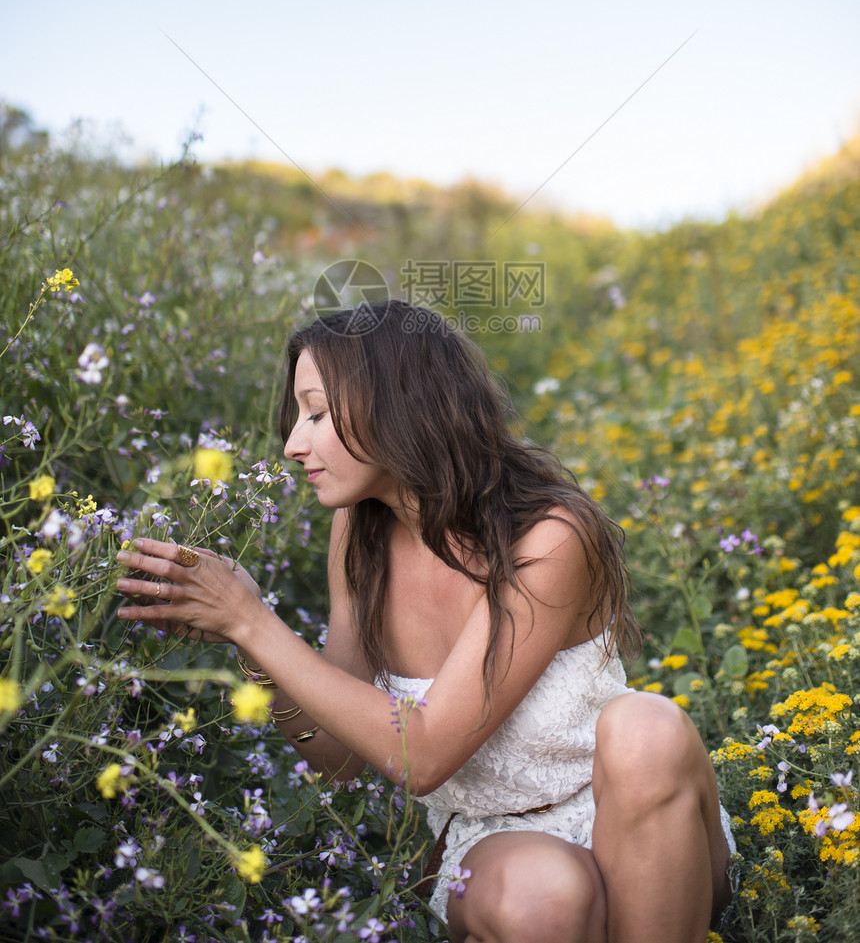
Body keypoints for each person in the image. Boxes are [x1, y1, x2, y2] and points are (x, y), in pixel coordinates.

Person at [116, 300, 735, 943]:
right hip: (502, 843)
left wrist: (255, 621)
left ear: (399, 407)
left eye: (319, 413)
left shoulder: (550, 537)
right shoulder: (357, 531)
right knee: (542, 899)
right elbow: (336, 759)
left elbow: (428, 753)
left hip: (641, 827)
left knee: (646, 727)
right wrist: (249, 641)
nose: (293, 443)